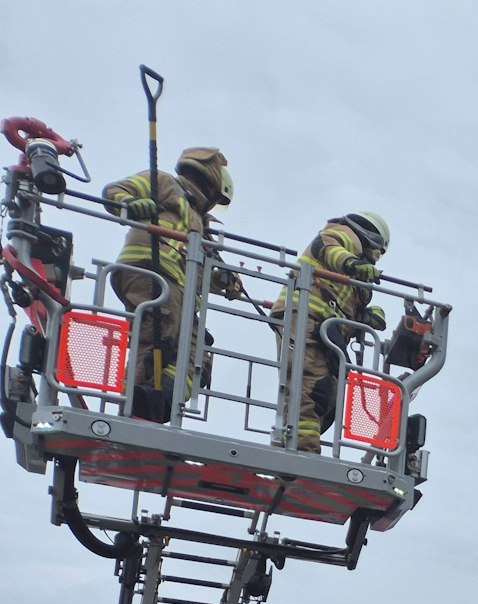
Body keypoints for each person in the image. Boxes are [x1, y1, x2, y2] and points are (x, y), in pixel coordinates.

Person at [101, 147, 247, 411]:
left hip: (181, 291)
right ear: (213, 186)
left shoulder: (200, 225)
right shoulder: (165, 182)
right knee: (156, 338)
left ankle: (155, 406)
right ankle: (132, 410)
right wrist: (129, 204)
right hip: (150, 271)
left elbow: (198, 271)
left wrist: (222, 282)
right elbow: (114, 191)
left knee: (197, 352)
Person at [270, 211, 390, 453]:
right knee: (311, 386)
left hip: (325, 332)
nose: (376, 258)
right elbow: (329, 248)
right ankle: (301, 450)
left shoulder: (354, 273)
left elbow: (345, 305)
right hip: (306, 320)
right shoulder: (343, 236)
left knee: (329, 398)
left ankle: (294, 442)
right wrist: (352, 263)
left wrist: (368, 317)